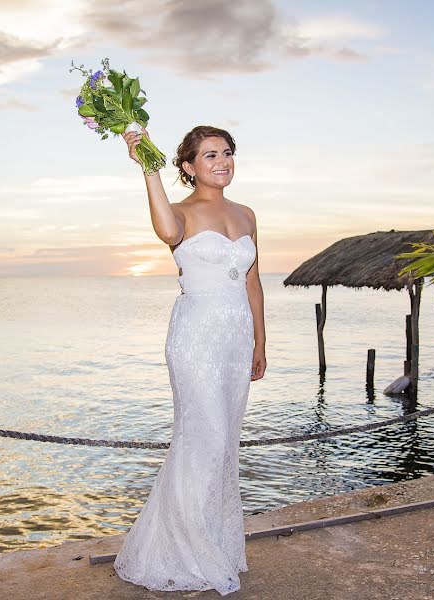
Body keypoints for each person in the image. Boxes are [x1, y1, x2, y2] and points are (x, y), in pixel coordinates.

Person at [110, 124, 266, 596]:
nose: (223, 161)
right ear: (188, 166)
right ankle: (187, 551)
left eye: (228, 153)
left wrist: (261, 341)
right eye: (211, 155)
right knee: (205, 437)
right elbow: (165, 231)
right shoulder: (179, 213)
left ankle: (213, 543)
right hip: (195, 335)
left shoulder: (247, 214)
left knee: (224, 444)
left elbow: (253, 282)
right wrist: (147, 170)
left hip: (236, 338)